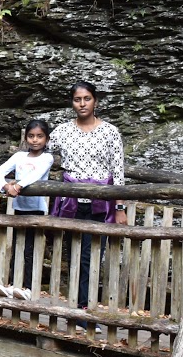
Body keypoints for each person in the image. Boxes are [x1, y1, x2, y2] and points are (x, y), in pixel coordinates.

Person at [47, 81, 127, 314]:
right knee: (73, 256)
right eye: (77, 99)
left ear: (95, 101)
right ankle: (78, 307)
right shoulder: (62, 131)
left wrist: (120, 207)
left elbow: (118, 170)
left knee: (90, 258)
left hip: (101, 204)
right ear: (72, 103)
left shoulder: (110, 131)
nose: (82, 104)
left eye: (87, 99)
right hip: (71, 202)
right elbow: (39, 152)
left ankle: (84, 308)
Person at [0, 119, 53, 300]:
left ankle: (28, 288)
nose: (35, 140)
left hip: (36, 210)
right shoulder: (19, 157)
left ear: (47, 139)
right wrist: (6, 187)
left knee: (30, 249)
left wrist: (17, 186)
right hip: (19, 208)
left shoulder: (47, 158)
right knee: (17, 246)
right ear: (26, 138)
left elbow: (35, 176)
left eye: (40, 136)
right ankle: (13, 285)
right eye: (31, 136)